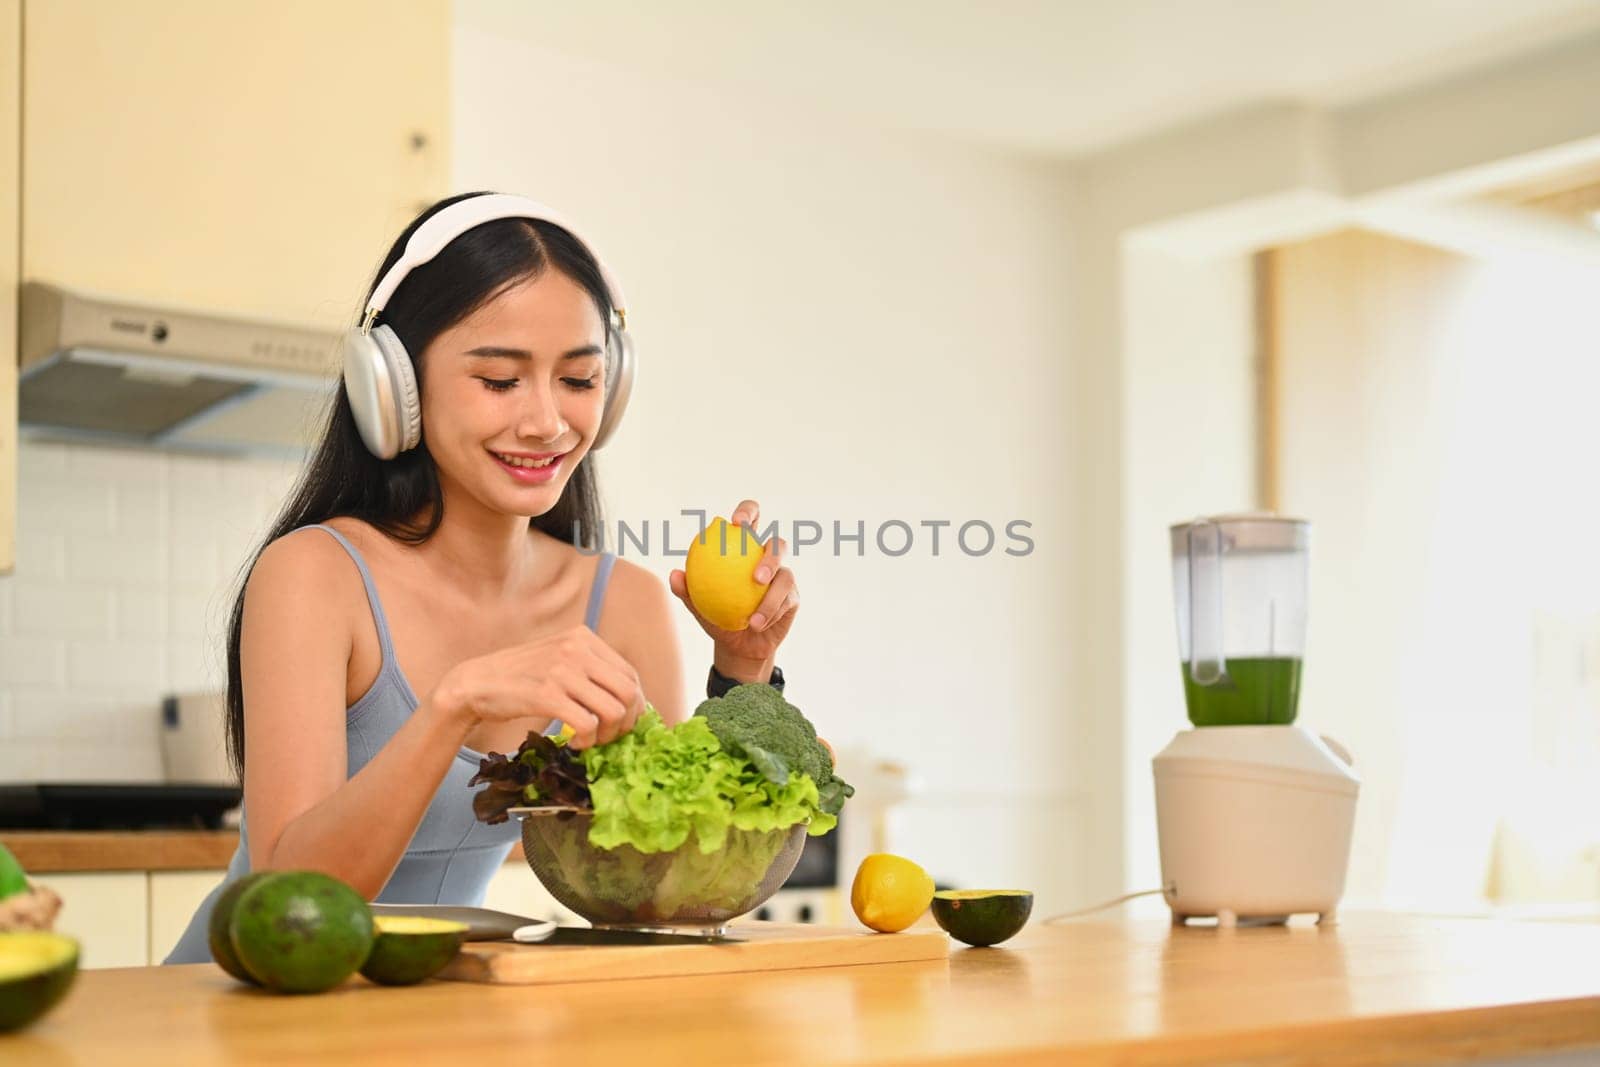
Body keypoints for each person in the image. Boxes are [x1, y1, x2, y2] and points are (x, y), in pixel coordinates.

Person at [163, 192, 799, 963]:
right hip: (248, 1000)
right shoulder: (315, 575)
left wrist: (743, 670)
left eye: (578, 379)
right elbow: (293, 892)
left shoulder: (621, 603)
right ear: (395, 383)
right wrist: (455, 703)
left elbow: (661, 878)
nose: (546, 421)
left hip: (433, 1010)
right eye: (500, 380)